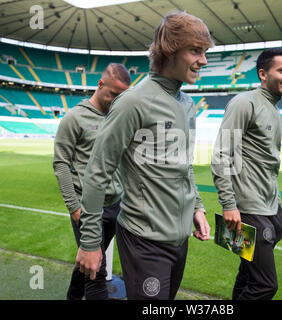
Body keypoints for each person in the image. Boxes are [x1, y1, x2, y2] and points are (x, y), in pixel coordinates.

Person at [75, 12, 212, 300]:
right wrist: (89, 242)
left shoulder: (187, 104)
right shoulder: (132, 102)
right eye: (196, 51)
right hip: (143, 240)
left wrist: (197, 207)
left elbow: (183, 166)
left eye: (205, 52)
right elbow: (98, 172)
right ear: (170, 49)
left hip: (180, 238)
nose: (204, 61)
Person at [211, 48, 282, 300]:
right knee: (265, 285)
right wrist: (229, 204)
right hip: (248, 209)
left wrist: (276, 201)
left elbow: (269, 164)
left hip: (271, 208)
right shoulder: (244, 103)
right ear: (262, 74)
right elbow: (221, 155)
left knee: (249, 275)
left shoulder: (276, 113)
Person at [53, 63, 130, 300]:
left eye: (122, 96)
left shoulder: (119, 117)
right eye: (114, 94)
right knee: (96, 271)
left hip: (116, 205)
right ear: (100, 84)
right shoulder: (75, 117)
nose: (117, 100)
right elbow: (61, 163)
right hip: (87, 208)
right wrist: (74, 207)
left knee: (88, 263)